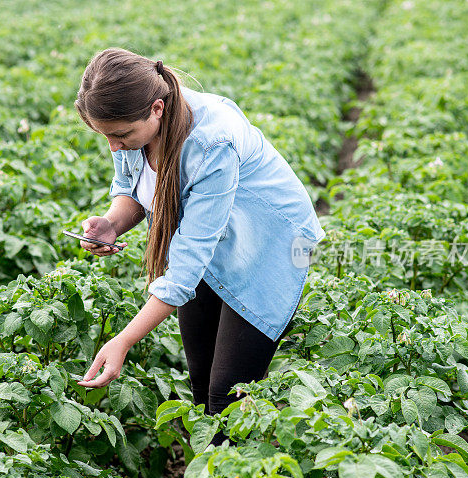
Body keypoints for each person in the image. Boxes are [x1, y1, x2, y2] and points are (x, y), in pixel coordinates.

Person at [73, 48, 325, 446]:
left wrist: (122, 340)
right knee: (202, 381)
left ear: (156, 109)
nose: (115, 148)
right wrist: (110, 224)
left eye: (120, 135)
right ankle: (211, 477)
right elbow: (132, 191)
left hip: (274, 245)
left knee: (227, 396)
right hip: (209, 243)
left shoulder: (211, 142)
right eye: (106, 136)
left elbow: (187, 267)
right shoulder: (135, 132)